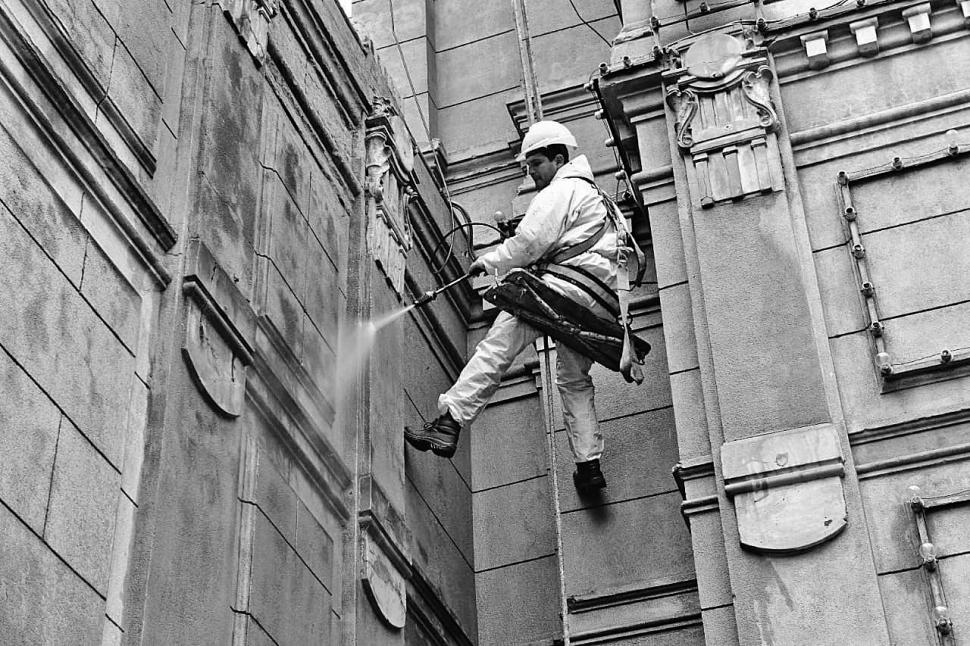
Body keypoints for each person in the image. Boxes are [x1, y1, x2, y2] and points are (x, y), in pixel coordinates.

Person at [404, 120, 629, 492]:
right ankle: (589, 465)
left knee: (496, 346)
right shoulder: (595, 195)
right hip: (599, 303)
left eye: (536, 165)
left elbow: (529, 243)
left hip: (562, 291)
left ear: (558, 159)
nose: (532, 173)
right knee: (573, 380)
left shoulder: (564, 189)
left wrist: (491, 261)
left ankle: (449, 423)